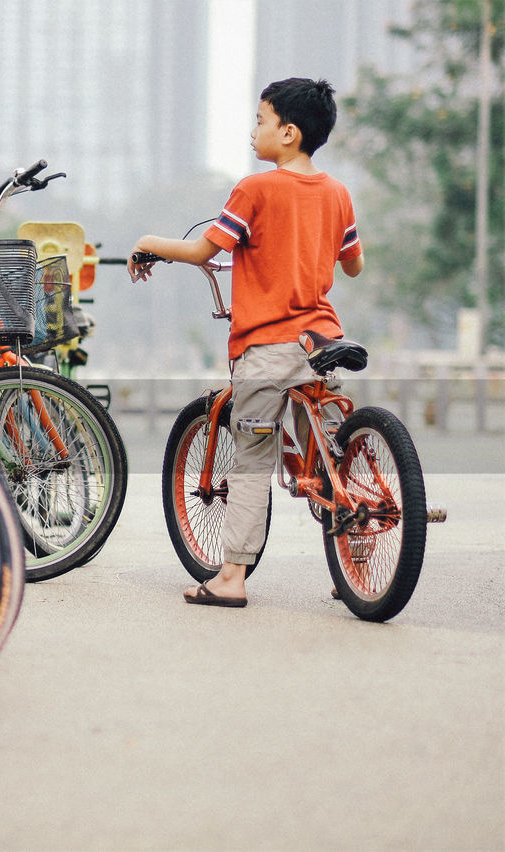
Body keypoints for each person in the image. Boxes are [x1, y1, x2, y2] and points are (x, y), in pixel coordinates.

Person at [127, 77, 365, 608]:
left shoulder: (255, 189)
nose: (253, 130)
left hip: (268, 348)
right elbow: (353, 265)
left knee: (253, 458)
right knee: (331, 460)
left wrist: (146, 242)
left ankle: (231, 577)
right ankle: (358, 567)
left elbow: (202, 250)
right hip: (323, 340)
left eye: (260, 120)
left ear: (288, 132)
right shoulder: (338, 193)